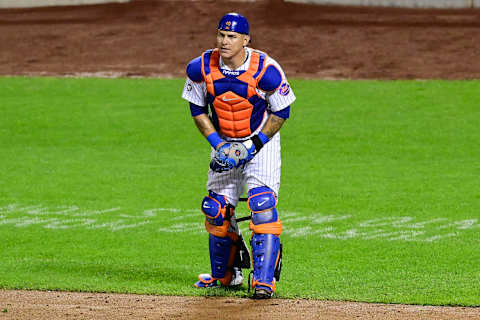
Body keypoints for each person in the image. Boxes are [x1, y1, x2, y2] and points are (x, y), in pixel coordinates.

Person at [181, 12, 296, 299]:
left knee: (262, 204)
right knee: (216, 209)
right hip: (224, 142)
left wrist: (252, 146)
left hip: (260, 142)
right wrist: (219, 145)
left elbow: (282, 111)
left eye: (231, 36)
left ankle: (264, 281)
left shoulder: (266, 70)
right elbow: (198, 110)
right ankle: (226, 276)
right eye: (221, 34)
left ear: (246, 40)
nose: (224, 41)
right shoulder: (200, 68)